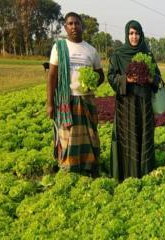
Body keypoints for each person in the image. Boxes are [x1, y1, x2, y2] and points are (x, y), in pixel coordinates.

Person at [47, 12, 104, 177]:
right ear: (65, 27)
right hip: (67, 100)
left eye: (77, 23)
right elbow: (52, 76)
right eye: (70, 24)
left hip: (86, 100)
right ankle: (69, 167)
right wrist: (50, 103)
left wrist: (92, 82)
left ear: (82, 26)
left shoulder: (91, 50)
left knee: (89, 135)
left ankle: (88, 166)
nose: (74, 27)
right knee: (68, 136)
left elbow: (100, 75)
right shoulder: (59, 47)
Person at [108, 20, 162, 181]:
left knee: (144, 136)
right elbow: (111, 77)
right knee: (127, 138)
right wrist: (127, 79)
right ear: (126, 35)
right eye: (131, 33)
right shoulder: (118, 55)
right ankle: (126, 174)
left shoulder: (148, 55)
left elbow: (158, 79)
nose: (134, 37)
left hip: (144, 104)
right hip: (126, 105)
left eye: (137, 33)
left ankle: (144, 173)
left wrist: (151, 78)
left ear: (141, 35)